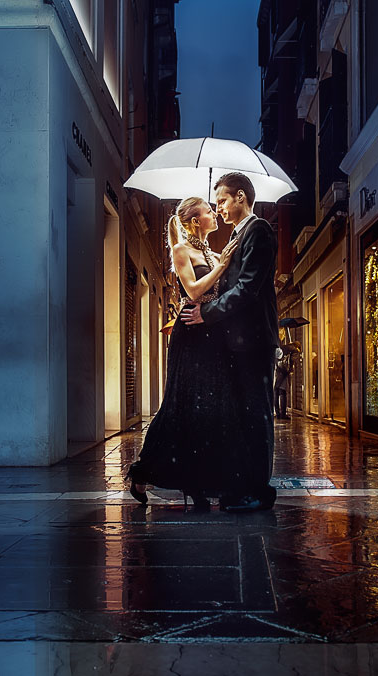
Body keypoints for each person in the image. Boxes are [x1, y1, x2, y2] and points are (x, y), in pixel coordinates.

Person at [126, 196, 239, 510]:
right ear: (194, 220)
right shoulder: (180, 251)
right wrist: (224, 266)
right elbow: (193, 290)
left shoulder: (215, 254)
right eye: (208, 210)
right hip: (189, 335)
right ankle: (143, 472)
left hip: (213, 335)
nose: (214, 213)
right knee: (182, 404)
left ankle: (200, 481)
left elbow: (226, 294)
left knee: (211, 408)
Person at [180, 172, 279, 513]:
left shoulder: (259, 231)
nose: (218, 207)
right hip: (237, 344)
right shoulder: (237, 237)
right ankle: (243, 487)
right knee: (243, 418)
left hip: (254, 342)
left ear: (240, 197)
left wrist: (206, 313)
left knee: (258, 415)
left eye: (221, 200)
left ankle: (259, 491)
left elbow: (248, 289)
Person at [273, 342, 300, 419]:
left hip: (278, 370)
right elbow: (295, 353)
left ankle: (278, 413)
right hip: (284, 372)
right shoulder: (293, 349)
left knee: (277, 391)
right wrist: (290, 367)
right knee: (282, 392)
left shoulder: (283, 347)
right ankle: (282, 414)